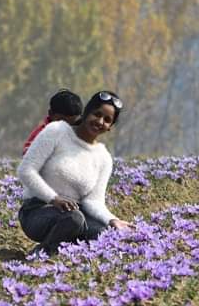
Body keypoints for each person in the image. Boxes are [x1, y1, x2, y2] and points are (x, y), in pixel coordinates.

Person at [17, 90, 132, 255]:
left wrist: (112, 220)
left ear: (110, 127)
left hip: (74, 213)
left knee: (104, 233)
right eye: (97, 114)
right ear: (86, 112)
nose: (100, 122)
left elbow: (94, 202)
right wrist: (54, 199)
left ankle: (66, 254)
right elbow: (26, 170)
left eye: (107, 120)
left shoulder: (103, 158)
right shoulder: (56, 131)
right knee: (74, 219)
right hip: (38, 209)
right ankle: (43, 253)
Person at [22, 89, 84, 155]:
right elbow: (28, 154)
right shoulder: (41, 134)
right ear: (51, 114)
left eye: (72, 124)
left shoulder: (83, 130)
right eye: (62, 122)